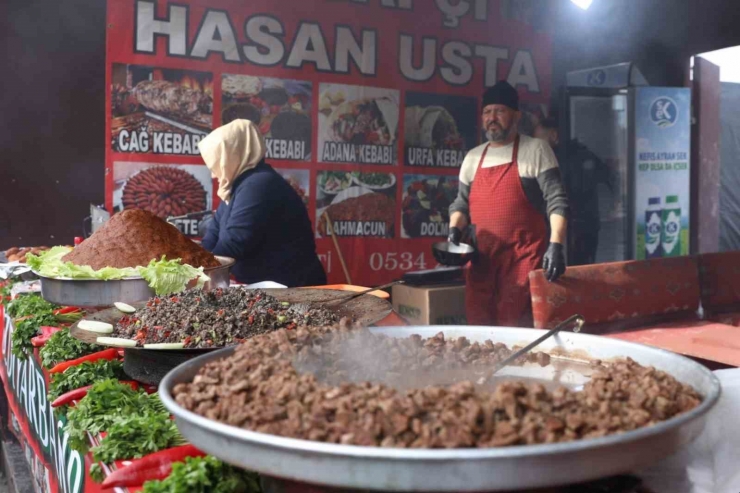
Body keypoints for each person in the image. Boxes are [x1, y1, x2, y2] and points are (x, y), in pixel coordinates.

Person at [448, 81, 569, 327]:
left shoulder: (536, 149)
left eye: (500, 111)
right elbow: (460, 204)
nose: (492, 118)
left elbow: (557, 200)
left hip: (523, 261)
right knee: (479, 330)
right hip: (482, 263)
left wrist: (556, 244)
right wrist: (454, 231)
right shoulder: (473, 157)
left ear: (516, 115)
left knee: (516, 329)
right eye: (487, 112)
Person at [198, 119, 327, 287]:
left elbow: (233, 244)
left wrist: (197, 275)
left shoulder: (258, 184)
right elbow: (211, 239)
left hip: (292, 288)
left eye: (217, 164)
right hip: (264, 288)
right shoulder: (235, 188)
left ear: (233, 155)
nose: (214, 175)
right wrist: (194, 261)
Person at [535, 117, 612, 266]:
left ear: (553, 136)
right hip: (585, 225)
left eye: (538, 140)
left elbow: (566, 194)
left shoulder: (561, 159)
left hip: (576, 227)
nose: (535, 146)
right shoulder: (581, 153)